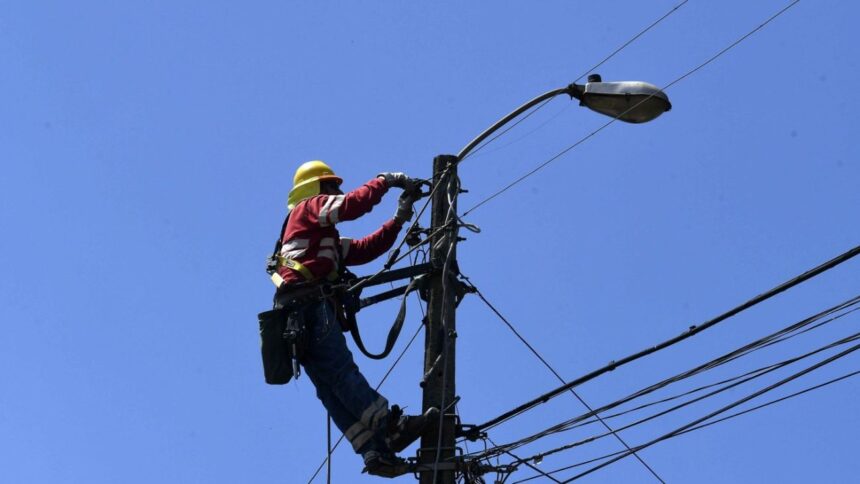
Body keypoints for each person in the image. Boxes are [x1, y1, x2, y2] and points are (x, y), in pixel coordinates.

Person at [271, 160, 438, 477]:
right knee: (340, 373)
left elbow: (364, 249)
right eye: (332, 186)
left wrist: (400, 216)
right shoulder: (310, 208)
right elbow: (352, 205)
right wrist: (385, 180)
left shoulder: (317, 237)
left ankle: (374, 452)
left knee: (330, 388)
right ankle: (392, 425)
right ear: (317, 189)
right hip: (308, 306)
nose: (338, 191)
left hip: (294, 317)